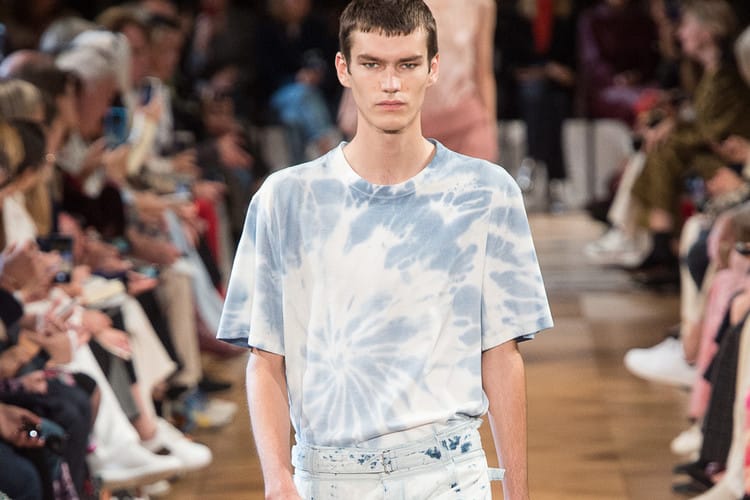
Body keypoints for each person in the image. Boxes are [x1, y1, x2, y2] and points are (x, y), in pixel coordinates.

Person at [217, 1, 553, 499]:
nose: (391, 84)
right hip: (328, 478)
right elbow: (265, 357)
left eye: (407, 64)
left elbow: (502, 355)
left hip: (451, 475)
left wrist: (517, 494)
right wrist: (276, 481)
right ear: (344, 69)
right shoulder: (285, 200)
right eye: (372, 64)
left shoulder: (487, 193)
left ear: (433, 68)